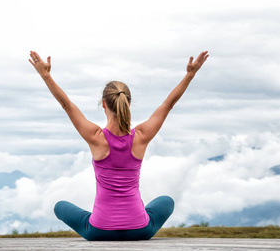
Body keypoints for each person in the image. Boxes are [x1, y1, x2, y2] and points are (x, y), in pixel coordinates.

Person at [28, 50, 209, 241]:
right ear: (128, 103)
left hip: (98, 231)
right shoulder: (141, 137)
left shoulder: (95, 137)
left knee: (60, 206)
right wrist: (190, 74)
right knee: (167, 201)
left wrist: (45, 75)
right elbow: (168, 104)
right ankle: (133, 216)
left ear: (104, 104)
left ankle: (106, 219)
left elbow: (67, 105)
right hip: (141, 230)